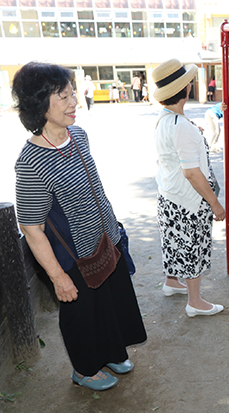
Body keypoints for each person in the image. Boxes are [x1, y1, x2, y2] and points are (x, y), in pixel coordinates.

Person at [12, 62, 147, 391]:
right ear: (38, 103)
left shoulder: (79, 136)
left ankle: (112, 353)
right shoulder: (30, 162)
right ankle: (84, 370)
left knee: (110, 302)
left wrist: (113, 232)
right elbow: (31, 227)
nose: (74, 102)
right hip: (72, 255)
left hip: (105, 239)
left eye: (73, 94)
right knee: (82, 312)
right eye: (63, 96)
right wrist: (58, 276)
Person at [153, 59, 225, 317]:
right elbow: (192, 173)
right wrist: (215, 203)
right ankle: (195, 301)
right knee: (192, 246)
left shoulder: (166, 118)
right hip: (188, 200)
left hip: (169, 195)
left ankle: (172, 281)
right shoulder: (180, 125)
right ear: (185, 89)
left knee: (174, 242)